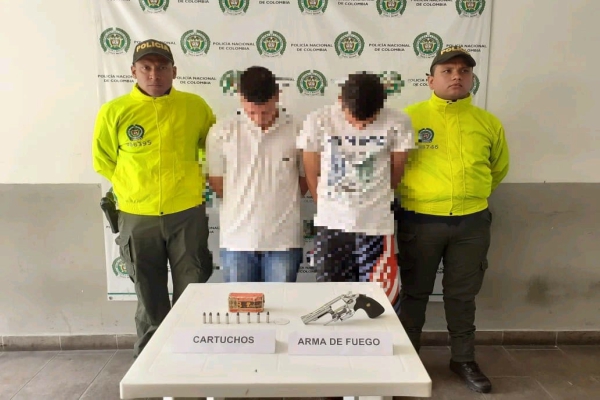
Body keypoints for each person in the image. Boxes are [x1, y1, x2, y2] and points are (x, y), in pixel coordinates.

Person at [395, 46, 510, 393]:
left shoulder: (488, 123)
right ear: (430, 81)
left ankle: (463, 359)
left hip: (471, 223)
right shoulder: (408, 119)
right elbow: (392, 168)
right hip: (420, 222)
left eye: (464, 71)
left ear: (472, 79)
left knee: (462, 296)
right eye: (447, 71)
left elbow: (498, 169)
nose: (456, 76)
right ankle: (407, 360)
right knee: (414, 294)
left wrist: (469, 196)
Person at [92, 39, 215, 358]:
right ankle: (151, 361)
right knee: (149, 295)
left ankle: (191, 356)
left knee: (192, 290)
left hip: (186, 213)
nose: (154, 74)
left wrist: (192, 179)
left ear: (174, 71)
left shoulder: (195, 107)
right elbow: (104, 160)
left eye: (161, 67)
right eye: (146, 67)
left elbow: (210, 149)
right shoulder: (115, 111)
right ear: (133, 71)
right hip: (138, 216)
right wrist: (135, 187)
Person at [298, 72, 414, 312]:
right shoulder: (318, 120)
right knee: (332, 300)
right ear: (341, 101)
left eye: (369, 120)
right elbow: (311, 171)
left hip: (376, 226)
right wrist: (327, 206)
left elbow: (396, 171)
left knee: (379, 305)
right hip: (331, 225)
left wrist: (375, 200)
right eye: (354, 119)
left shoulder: (398, 122)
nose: (361, 126)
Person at [206, 66, 307, 283]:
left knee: (282, 303)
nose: (260, 119)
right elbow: (217, 181)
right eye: (252, 113)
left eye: (266, 112)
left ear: (277, 95)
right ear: (241, 98)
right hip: (236, 241)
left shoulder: (298, 130)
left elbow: (304, 179)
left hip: (284, 241)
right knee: (240, 305)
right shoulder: (222, 132)